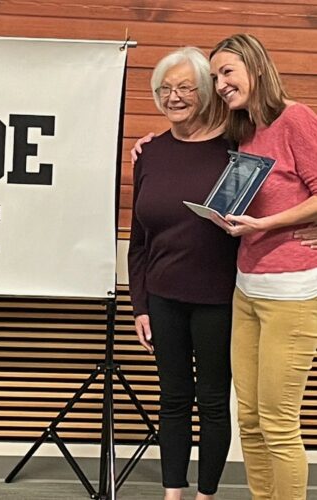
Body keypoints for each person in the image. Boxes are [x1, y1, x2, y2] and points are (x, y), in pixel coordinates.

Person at [207, 34, 317, 500]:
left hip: (291, 295)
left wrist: (267, 223)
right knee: (249, 419)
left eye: (227, 72)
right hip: (246, 289)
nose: (220, 84)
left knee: (277, 421)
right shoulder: (244, 130)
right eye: (214, 77)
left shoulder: (296, 118)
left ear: (255, 67)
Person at [127, 47, 239, 500]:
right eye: (164, 89)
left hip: (220, 299)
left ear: (207, 90)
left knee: (213, 402)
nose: (173, 97)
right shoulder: (148, 153)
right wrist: (140, 305)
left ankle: (205, 496)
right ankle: (172, 493)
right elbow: (139, 239)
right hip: (163, 299)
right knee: (172, 401)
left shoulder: (236, 149)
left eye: (184, 87)